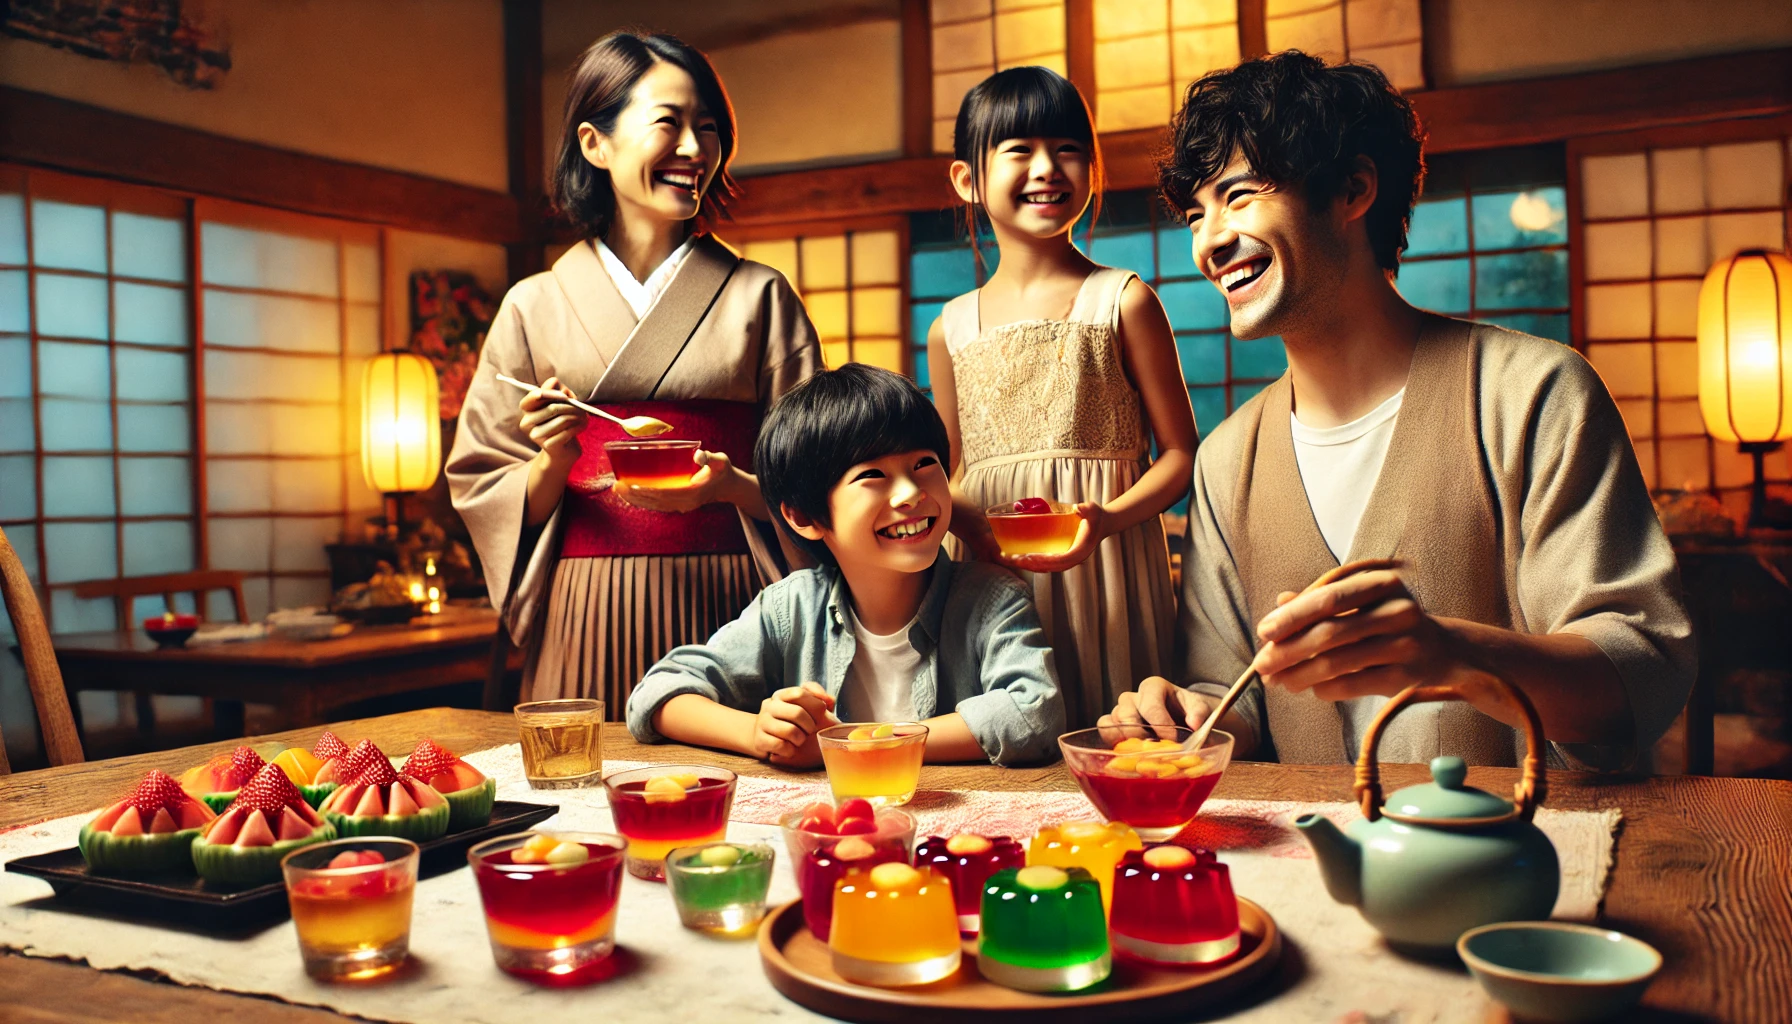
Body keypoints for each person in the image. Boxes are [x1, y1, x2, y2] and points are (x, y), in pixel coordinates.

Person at [1103, 51, 1695, 769]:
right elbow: (1234, 693)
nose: (1209, 242)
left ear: (1353, 190)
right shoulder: (1227, 459)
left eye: (1240, 195)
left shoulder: (1535, 394)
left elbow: (1641, 671)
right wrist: (1189, 714)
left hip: (1521, 864)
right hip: (1301, 874)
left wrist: (1454, 655)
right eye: (1196, 215)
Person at [448, 31, 821, 713]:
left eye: (708, 129)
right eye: (670, 123)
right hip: (582, 604)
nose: (695, 149)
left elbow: (816, 481)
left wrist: (730, 486)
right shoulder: (533, 304)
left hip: (732, 599)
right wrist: (552, 461)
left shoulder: (761, 297)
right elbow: (484, 486)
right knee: (582, 799)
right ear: (596, 144)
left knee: (740, 800)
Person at [926, 67, 1199, 730]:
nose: (1047, 168)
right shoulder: (950, 327)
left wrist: (1102, 520)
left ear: (1093, 169)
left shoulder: (1124, 299)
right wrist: (972, 531)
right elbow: (947, 472)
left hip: (1107, 566)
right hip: (992, 573)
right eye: (1019, 150)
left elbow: (1181, 456)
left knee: (1122, 737)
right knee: (1005, 732)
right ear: (968, 180)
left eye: (1068, 149)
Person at [625, 364, 1066, 768]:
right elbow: (659, 693)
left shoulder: (992, 599)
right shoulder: (789, 608)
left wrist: (854, 743)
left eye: (924, 464)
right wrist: (757, 733)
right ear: (805, 517)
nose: (911, 493)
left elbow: (1034, 713)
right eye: (873, 476)